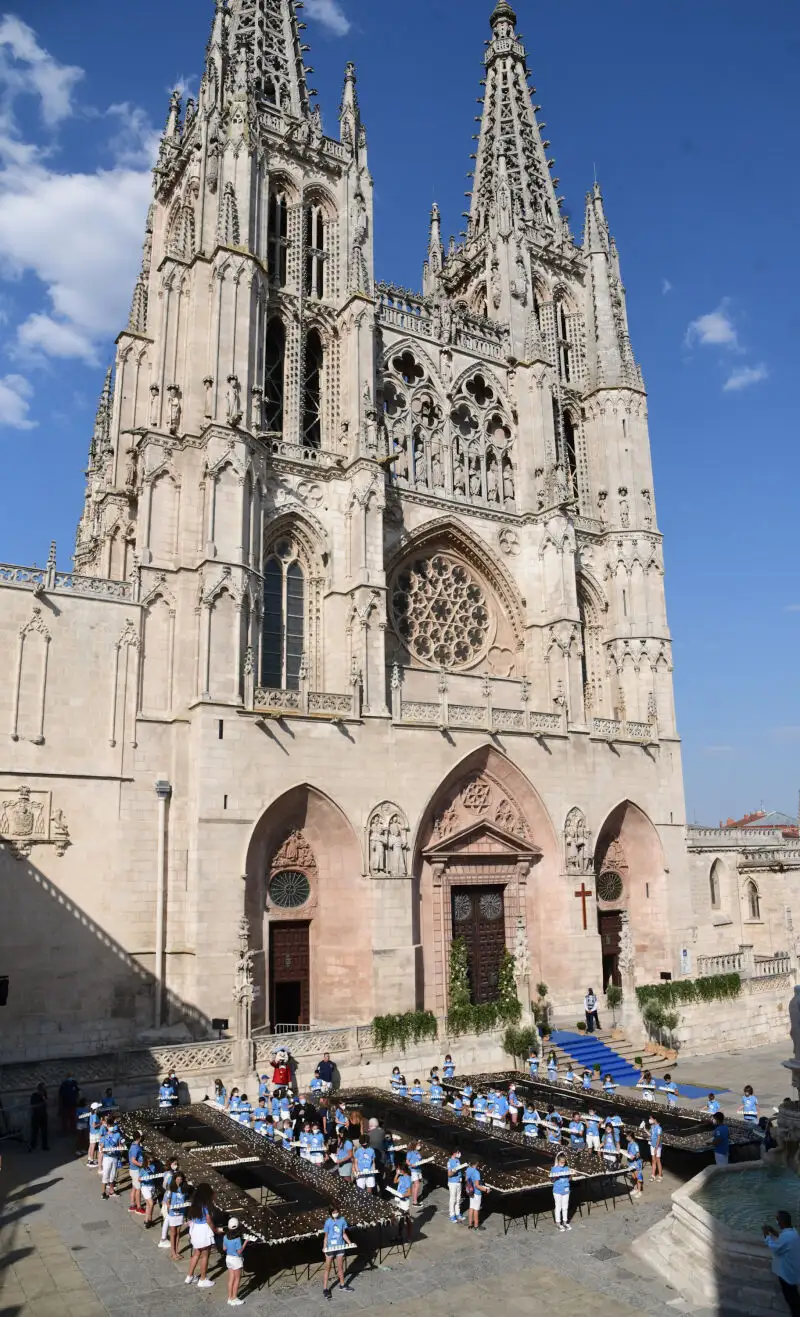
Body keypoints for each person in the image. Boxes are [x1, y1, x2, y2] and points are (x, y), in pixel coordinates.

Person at [763, 1211, 800, 1316]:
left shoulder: (786, 1237)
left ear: (782, 1222)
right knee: (794, 1294)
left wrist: (766, 1235)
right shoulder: (793, 1232)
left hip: (786, 1274)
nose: (777, 1222)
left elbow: (774, 1247)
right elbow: (783, 1239)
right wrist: (773, 1232)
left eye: (777, 1219)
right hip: (792, 1271)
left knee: (791, 1297)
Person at [186, 1182, 221, 1288]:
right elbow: (208, 1219)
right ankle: (203, 1279)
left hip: (195, 1228)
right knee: (205, 1255)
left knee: (196, 1253)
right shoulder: (205, 1204)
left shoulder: (194, 1203)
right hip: (203, 1230)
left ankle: (189, 1276)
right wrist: (215, 1230)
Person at [322, 1205, 353, 1300]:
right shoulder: (328, 1222)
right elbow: (326, 1236)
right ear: (331, 1213)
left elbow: (343, 1234)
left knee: (340, 1266)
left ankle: (342, 1284)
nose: (336, 1213)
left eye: (337, 1211)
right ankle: (325, 1288)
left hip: (340, 1246)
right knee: (328, 1268)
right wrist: (324, 1247)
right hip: (330, 1247)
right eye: (334, 1212)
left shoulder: (342, 1220)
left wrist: (349, 1243)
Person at [222, 1217, 248, 1308]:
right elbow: (239, 1252)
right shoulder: (237, 1239)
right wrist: (246, 1242)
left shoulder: (225, 1236)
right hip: (236, 1260)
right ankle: (234, 1298)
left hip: (228, 1258)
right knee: (237, 1279)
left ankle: (229, 1298)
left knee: (231, 1278)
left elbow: (224, 1248)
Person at [164, 1169, 188, 1260]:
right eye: (178, 1179)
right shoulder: (171, 1188)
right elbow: (167, 1199)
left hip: (181, 1212)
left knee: (178, 1232)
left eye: (181, 1179)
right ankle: (173, 1252)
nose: (179, 1181)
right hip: (173, 1213)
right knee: (173, 1232)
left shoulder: (184, 1189)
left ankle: (176, 1251)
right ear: (175, 1179)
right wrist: (170, 1207)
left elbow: (184, 1199)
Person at [550, 1152, 575, 1231]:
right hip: (557, 1190)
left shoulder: (566, 1168)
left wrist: (572, 1175)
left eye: (564, 1162)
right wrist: (555, 1177)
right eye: (561, 1162)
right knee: (558, 1207)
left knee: (565, 1207)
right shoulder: (554, 1169)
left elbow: (569, 1179)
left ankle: (565, 1222)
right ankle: (558, 1223)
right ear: (558, 1161)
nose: (563, 1164)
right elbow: (552, 1180)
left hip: (566, 1190)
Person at [158, 1158, 180, 1247]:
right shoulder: (170, 1175)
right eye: (175, 1164)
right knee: (167, 1219)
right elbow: (170, 1187)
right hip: (168, 1198)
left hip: (167, 1197)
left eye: (177, 1164)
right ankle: (163, 1239)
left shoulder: (168, 1173)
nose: (176, 1165)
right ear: (170, 1164)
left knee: (166, 1219)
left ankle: (164, 1238)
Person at [101, 1121, 125, 1199]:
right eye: (109, 1125)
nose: (111, 1127)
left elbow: (120, 1145)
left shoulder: (117, 1135)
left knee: (113, 1175)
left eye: (112, 1125)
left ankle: (112, 1191)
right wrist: (106, 1151)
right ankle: (103, 1193)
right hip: (107, 1158)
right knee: (105, 1175)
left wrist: (121, 1148)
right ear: (107, 1126)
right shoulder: (104, 1137)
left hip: (114, 1157)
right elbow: (101, 1149)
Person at [465, 1162, 490, 1230]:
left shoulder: (468, 1169)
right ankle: (476, 1225)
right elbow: (477, 1185)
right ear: (476, 1164)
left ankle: (470, 1224)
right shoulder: (476, 1172)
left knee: (471, 1207)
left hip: (470, 1191)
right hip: (477, 1193)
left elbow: (466, 1179)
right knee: (476, 1209)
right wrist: (486, 1190)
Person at [394, 1160, 413, 1240]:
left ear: (403, 1170)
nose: (397, 1170)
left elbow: (409, 1193)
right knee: (400, 1219)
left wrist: (402, 1195)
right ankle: (399, 1235)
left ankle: (409, 1237)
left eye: (398, 1169)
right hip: (399, 1200)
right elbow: (395, 1181)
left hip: (404, 1201)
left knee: (407, 1219)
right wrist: (397, 1174)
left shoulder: (408, 1179)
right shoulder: (401, 1177)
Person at [127, 1130, 145, 1214]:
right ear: (140, 1137)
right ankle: (139, 1207)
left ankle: (132, 1205)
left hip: (133, 1170)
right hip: (135, 1170)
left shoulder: (134, 1144)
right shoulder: (135, 1147)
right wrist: (141, 1165)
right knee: (138, 1189)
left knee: (134, 1187)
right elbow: (133, 1160)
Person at [140, 1156, 160, 1227]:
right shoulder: (143, 1168)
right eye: (150, 1158)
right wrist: (142, 1179)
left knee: (148, 1205)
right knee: (151, 1203)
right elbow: (139, 1178)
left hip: (152, 1186)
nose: (152, 1159)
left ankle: (147, 1220)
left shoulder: (153, 1166)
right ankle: (148, 1221)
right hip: (145, 1187)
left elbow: (153, 1175)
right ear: (147, 1159)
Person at [623, 1131, 644, 1196]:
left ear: (630, 1137)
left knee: (638, 1177)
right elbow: (628, 1152)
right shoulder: (629, 1143)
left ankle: (639, 1191)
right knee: (633, 1177)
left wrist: (634, 1157)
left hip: (636, 1163)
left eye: (627, 1136)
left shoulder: (635, 1145)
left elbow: (638, 1154)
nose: (626, 1137)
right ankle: (635, 1189)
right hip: (631, 1163)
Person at [30, 1083, 49, 1151]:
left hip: (43, 1115)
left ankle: (45, 1145)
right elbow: (32, 1105)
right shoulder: (34, 1095)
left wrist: (44, 1098)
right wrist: (41, 1104)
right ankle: (33, 1145)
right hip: (36, 1116)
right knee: (35, 1131)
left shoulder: (44, 1095)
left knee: (45, 1131)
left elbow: (47, 1103)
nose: (44, 1090)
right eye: (43, 1088)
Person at [447, 1147, 464, 1222]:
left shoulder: (458, 1160)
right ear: (454, 1153)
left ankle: (458, 1213)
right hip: (452, 1183)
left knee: (458, 1199)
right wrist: (454, 1171)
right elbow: (449, 1174)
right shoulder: (450, 1162)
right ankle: (452, 1215)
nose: (459, 1153)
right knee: (453, 1199)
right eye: (458, 1152)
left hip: (458, 1182)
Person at [407, 1141, 423, 1206]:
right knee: (417, 1185)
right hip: (414, 1170)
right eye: (418, 1145)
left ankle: (414, 1199)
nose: (419, 1146)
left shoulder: (417, 1153)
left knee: (414, 1185)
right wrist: (411, 1164)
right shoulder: (410, 1153)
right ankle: (415, 1202)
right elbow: (407, 1161)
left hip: (418, 1169)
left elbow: (419, 1160)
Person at [648, 1114, 663, 1181]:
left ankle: (660, 1175)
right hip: (652, 1145)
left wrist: (656, 1149)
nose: (650, 1120)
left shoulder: (659, 1128)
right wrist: (644, 1129)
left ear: (655, 1119)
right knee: (653, 1160)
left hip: (658, 1146)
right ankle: (653, 1175)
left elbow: (658, 1139)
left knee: (658, 1161)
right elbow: (650, 1135)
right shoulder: (652, 1127)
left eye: (651, 1118)